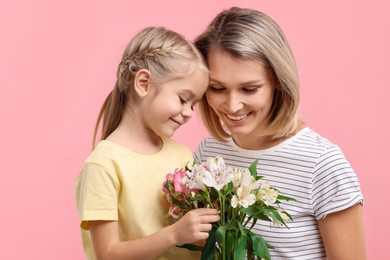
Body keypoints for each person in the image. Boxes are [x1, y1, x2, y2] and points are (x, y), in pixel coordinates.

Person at [193, 7, 366, 260]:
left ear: (278, 82)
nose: (232, 106)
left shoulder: (322, 164)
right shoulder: (209, 152)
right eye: (218, 88)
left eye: (249, 89)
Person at [74, 26, 220, 260]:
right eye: (183, 99)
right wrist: (174, 234)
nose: (188, 113)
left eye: (193, 105)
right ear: (143, 83)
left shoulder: (182, 155)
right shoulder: (103, 166)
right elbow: (108, 254)